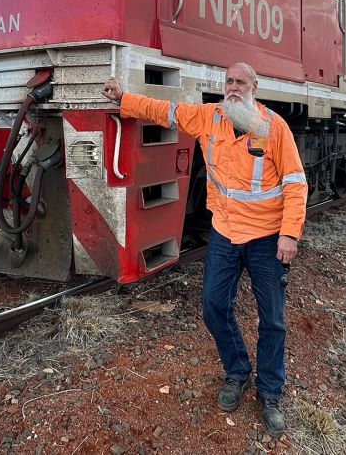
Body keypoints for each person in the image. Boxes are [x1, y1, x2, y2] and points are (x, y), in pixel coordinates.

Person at [102, 63, 306, 437]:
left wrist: (289, 234)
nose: (232, 87)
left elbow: (295, 184)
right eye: (228, 81)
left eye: (240, 82)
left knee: (272, 319)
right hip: (225, 234)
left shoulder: (274, 127)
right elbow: (164, 111)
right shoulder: (207, 117)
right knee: (213, 305)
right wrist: (123, 99)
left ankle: (271, 393)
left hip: (265, 237)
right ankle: (237, 371)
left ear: (254, 86)